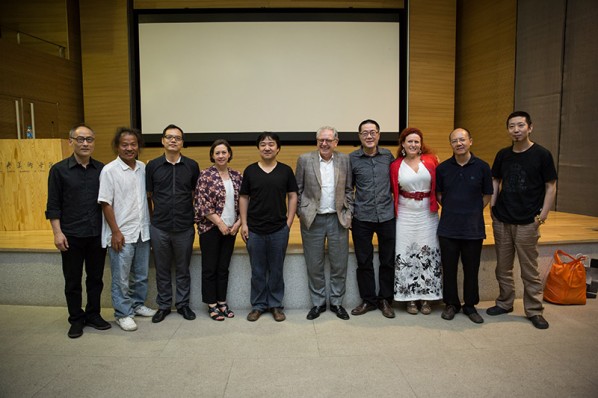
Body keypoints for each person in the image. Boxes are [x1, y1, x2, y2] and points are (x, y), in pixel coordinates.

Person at [487, 111, 557, 329]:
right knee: (503, 267)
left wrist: (543, 215)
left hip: (528, 220)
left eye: (520, 125)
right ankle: (505, 302)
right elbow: (496, 179)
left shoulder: (542, 154)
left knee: (529, 269)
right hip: (503, 219)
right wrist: (493, 204)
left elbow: (550, 185)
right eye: (511, 126)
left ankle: (534, 310)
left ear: (530, 127)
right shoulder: (503, 154)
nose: (516, 130)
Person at [46, 124, 110, 338]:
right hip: (70, 235)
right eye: (80, 139)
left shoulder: (102, 170)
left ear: (94, 142)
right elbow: (53, 205)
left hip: (96, 233)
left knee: (95, 278)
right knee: (72, 280)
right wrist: (57, 232)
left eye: (89, 139)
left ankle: (93, 314)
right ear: (70, 141)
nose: (85, 143)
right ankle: (75, 319)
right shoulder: (58, 170)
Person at [98, 127, 156, 332]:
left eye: (133, 144)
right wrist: (115, 231)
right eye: (125, 144)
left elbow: (147, 199)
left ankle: (137, 304)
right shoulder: (109, 170)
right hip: (121, 234)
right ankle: (123, 313)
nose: (129, 148)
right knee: (121, 277)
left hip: (142, 231)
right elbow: (105, 203)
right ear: (117, 146)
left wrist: (150, 224)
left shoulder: (143, 168)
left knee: (140, 274)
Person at [296, 126, 353, 321]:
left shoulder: (345, 160)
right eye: (321, 140)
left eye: (328, 140)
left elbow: (348, 189)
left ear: (336, 142)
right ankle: (318, 303)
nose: (324, 143)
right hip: (313, 219)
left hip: (338, 219)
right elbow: (298, 189)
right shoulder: (305, 160)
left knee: (339, 264)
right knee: (314, 264)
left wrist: (349, 212)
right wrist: (301, 212)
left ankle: (337, 302)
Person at [436, 128, 493, 324]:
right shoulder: (442, 168)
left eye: (462, 140)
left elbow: (487, 195)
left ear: (470, 141)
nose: (458, 143)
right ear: (450, 144)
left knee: (472, 269)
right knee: (449, 268)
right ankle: (451, 304)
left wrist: (471, 210)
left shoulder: (483, 167)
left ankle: (470, 305)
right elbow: (439, 195)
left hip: (473, 228)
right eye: (454, 141)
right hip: (448, 228)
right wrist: (454, 209)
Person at [239, 132, 298, 322]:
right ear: (258, 148)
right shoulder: (250, 171)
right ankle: (258, 305)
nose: (267, 147)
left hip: (279, 230)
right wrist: (244, 224)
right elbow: (243, 197)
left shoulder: (286, 171)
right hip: (254, 230)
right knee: (257, 270)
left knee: (276, 270)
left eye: (271, 144)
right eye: (263, 144)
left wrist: (288, 223)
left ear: (278, 148)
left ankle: (275, 305)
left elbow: (293, 195)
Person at [146, 124, 199, 323]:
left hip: (185, 226)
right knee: (162, 268)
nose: (173, 140)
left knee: (183, 268)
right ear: (162, 141)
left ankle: (183, 305)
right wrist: (152, 219)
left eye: (177, 138)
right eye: (169, 137)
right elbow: (148, 196)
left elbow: (194, 193)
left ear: (182, 143)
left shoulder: (192, 166)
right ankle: (164, 305)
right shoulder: (153, 166)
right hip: (160, 226)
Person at [390, 127, 442, 315]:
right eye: (409, 141)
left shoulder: (432, 161)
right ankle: (409, 298)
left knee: (428, 253)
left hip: (427, 215)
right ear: (403, 144)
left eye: (416, 142)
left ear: (421, 145)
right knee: (405, 253)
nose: (413, 144)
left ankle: (427, 297)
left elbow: (440, 186)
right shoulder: (395, 165)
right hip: (405, 214)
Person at [350, 119, 396, 318]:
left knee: (387, 261)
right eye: (364, 133)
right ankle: (368, 300)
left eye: (373, 132)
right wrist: (350, 212)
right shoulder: (352, 158)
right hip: (362, 217)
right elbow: (347, 188)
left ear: (378, 135)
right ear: (359, 136)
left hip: (387, 216)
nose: (369, 136)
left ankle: (385, 299)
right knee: (364, 261)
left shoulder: (388, 156)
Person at [194, 139, 242, 321]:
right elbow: (201, 204)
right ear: (212, 156)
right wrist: (220, 224)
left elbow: (244, 203)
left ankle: (222, 301)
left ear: (229, 154)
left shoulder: (237, 176)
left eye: (224, 152)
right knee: (210, 268)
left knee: (223, 268)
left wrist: (237, 224)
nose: (221, 156)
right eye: (217, 153)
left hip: (231, 230)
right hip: (211, 229)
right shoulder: (205, 175)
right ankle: (212, 304)